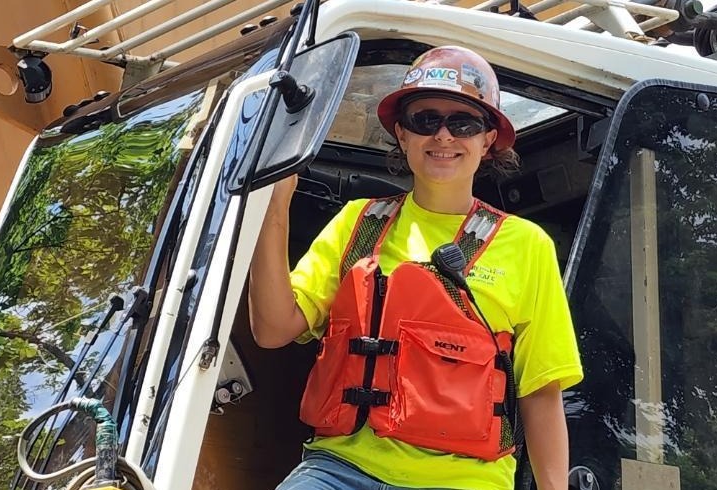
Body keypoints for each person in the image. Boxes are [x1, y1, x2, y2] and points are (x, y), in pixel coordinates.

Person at [248, 45, 583, 490]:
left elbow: (541, 393)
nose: (443, 137)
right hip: (341, 471)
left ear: (487, 140)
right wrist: (274, 204)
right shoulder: (358, 222)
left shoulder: (527, 245)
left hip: (465, 480)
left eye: (463, 123)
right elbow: (272, 329)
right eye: (426, 120)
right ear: (403, 135)